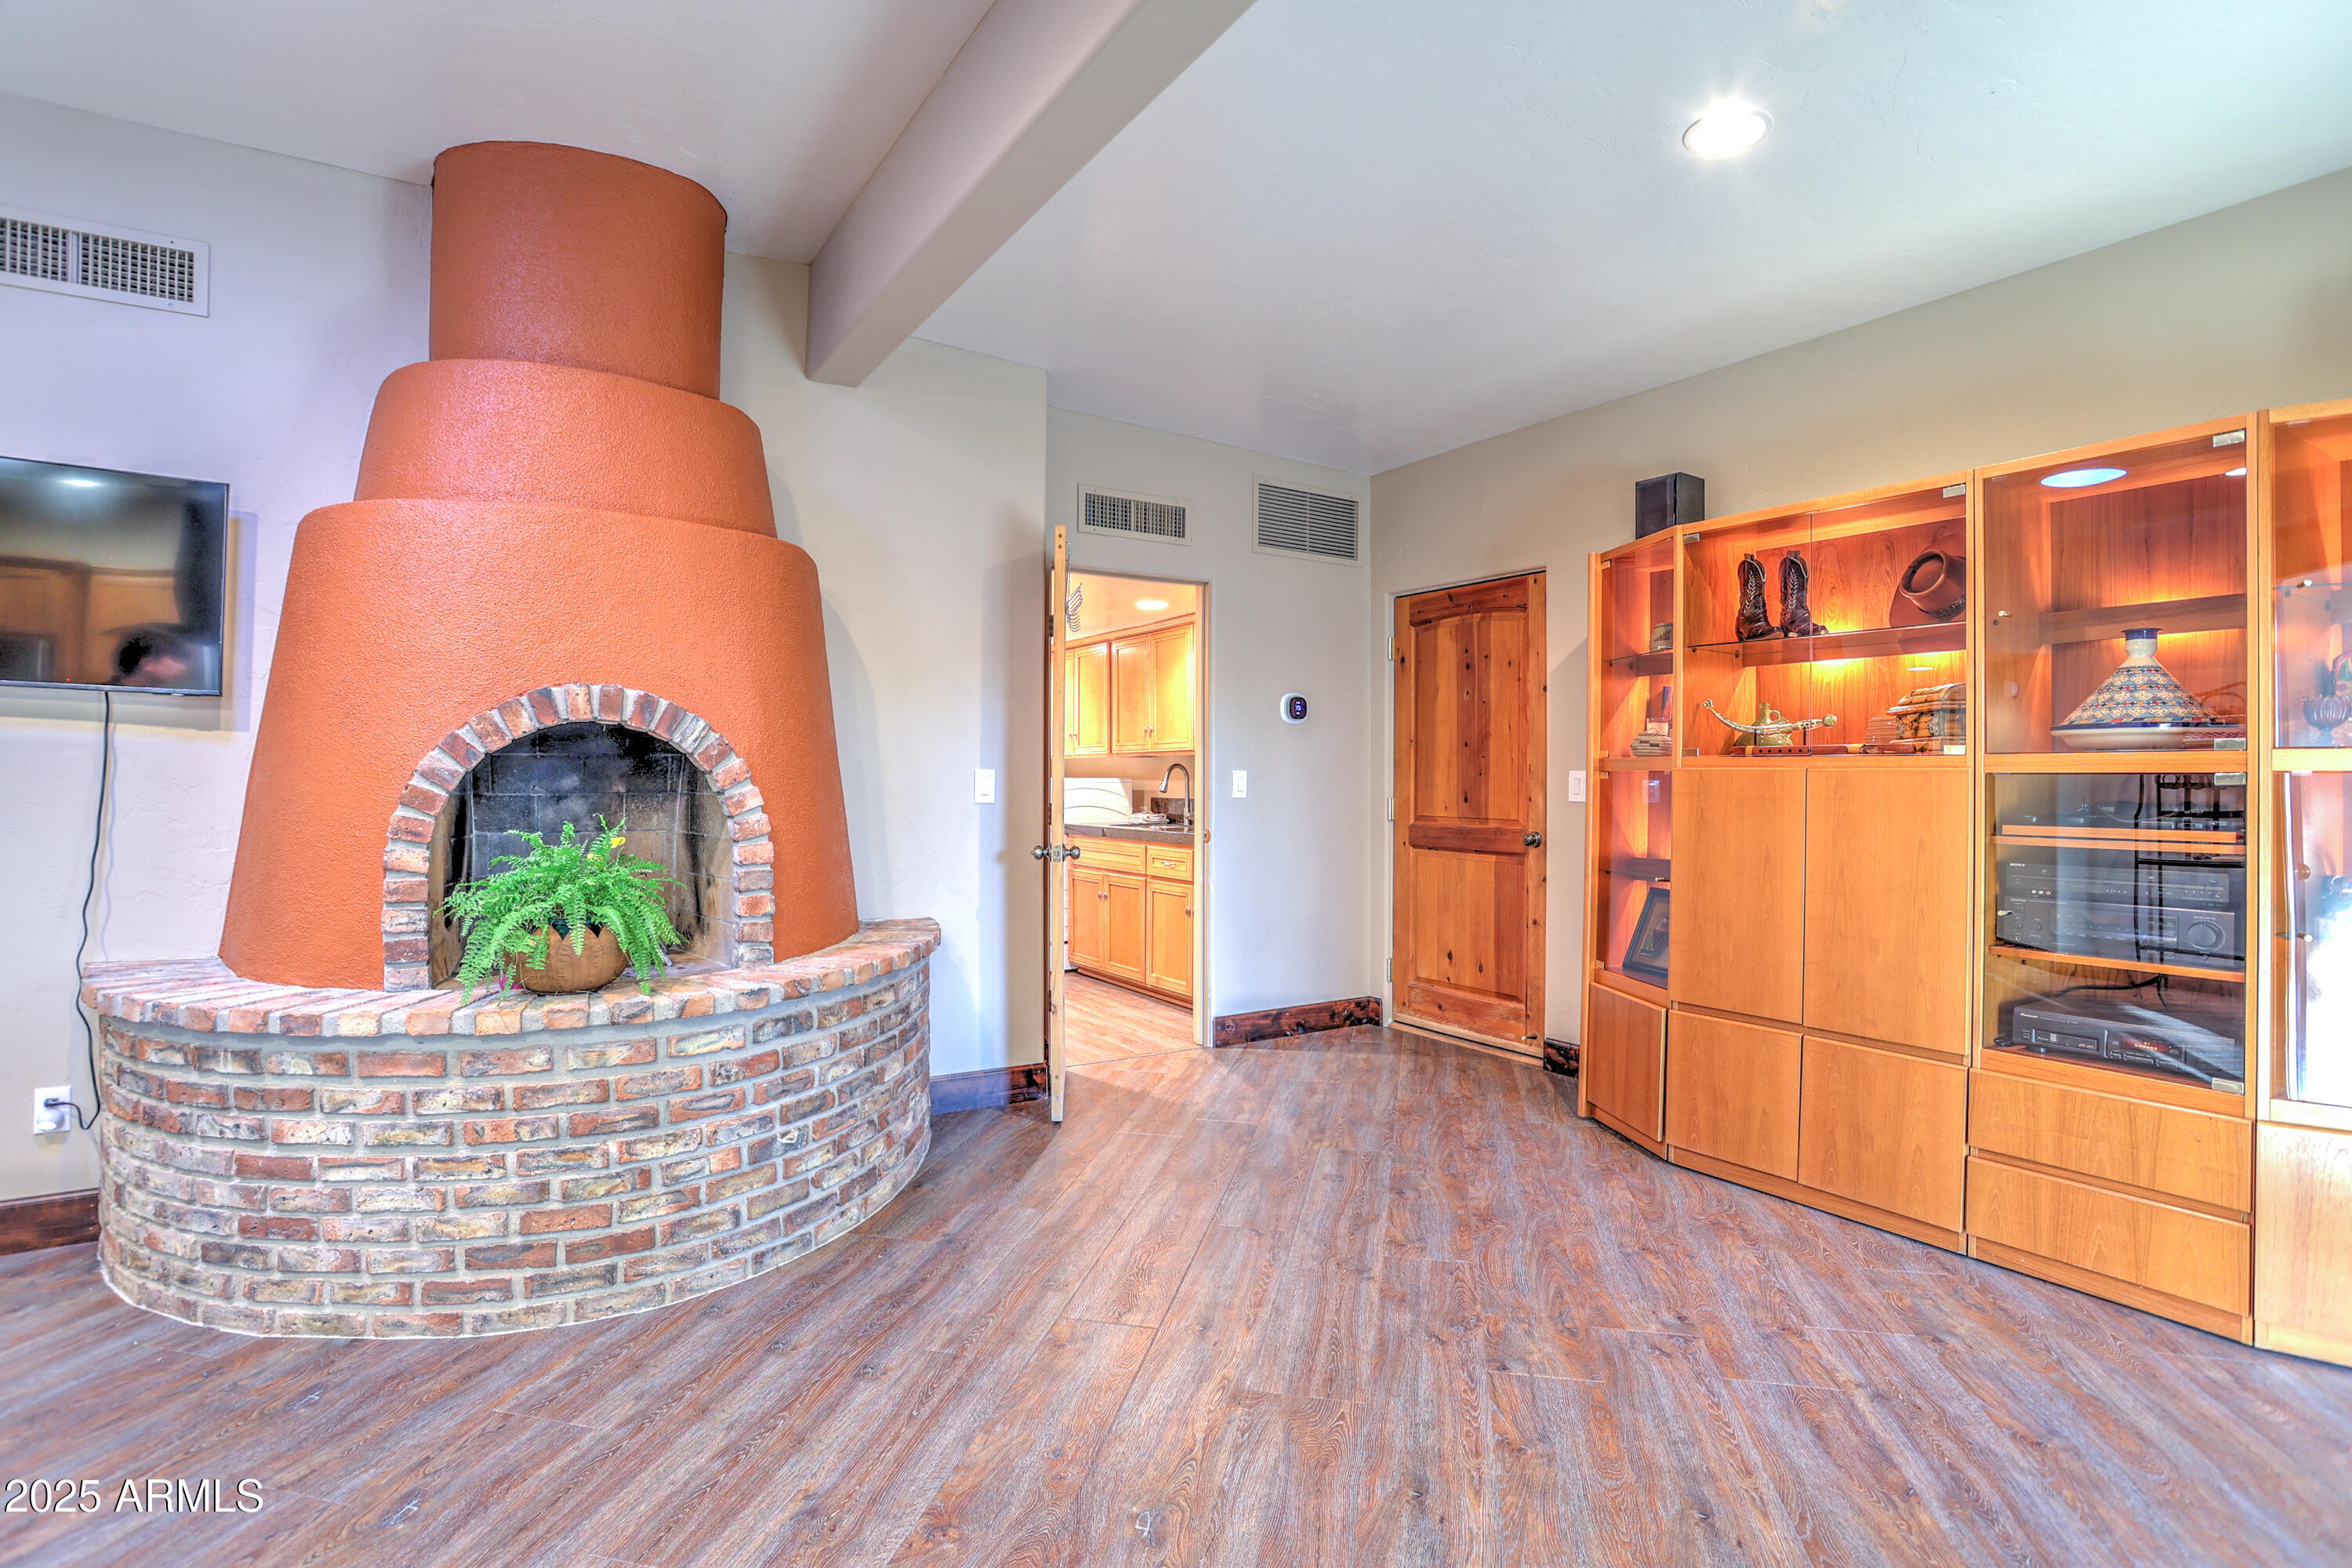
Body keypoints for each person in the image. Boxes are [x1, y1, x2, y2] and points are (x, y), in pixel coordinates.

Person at [112, 627, 198, 688]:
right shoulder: (102, 697)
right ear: (148, 664)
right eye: (177, 660)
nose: (184, 668)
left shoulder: (165, 696)